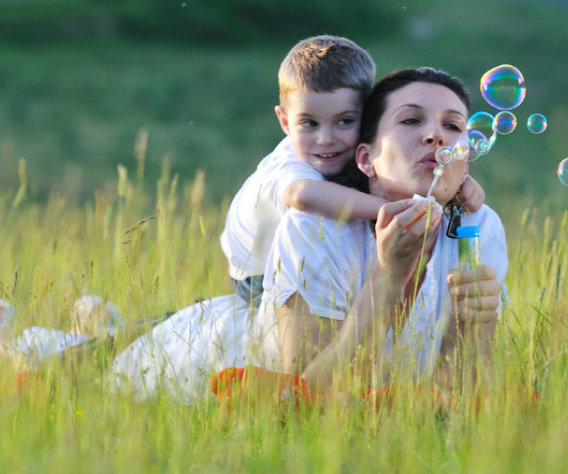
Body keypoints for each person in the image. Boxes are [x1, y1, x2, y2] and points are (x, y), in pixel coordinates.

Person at [110, 67, 506, 403]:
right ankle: (97, 320)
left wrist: (475, 325)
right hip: (182, 365)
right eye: (411, 120)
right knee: (79, 355)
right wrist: (387, 279)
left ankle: (101, 319)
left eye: (452, 126)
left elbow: (460, 402)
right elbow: (308, 401)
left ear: (467, 158)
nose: (436, 136)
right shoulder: (314, 228)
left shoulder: (478, 228)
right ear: (366, 158)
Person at [220, 35, 485, 307]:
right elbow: (303, 195)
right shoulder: (287, 165)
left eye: (345, 121)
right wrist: (393, 207)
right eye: (309, 124)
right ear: (285, 121)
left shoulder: (346, 151)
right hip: (254, 276)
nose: (326, 138)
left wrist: (457, 185)